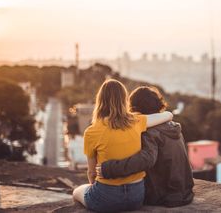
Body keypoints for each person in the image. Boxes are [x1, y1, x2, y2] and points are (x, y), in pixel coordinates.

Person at [72, 80, 173, 212]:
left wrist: (97, 190)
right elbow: (168, 115)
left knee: (76, 191)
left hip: (107, 197)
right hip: (136, 197)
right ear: (124, 100)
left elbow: (92, 172)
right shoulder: (137, 121)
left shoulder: (91, 132)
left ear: (100, 100)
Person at [96, 86, 194, 207]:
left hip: (164, 195)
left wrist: (109, 169)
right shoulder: (172, 126)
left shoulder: (150, 131)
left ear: (136, 110)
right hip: (184, 192)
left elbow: (146, 159)